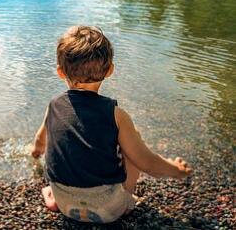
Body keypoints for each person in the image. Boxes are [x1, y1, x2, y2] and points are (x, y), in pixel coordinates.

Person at [30, 26, 192, 223]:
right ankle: (127, 199)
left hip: (64, 204)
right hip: (109, 210)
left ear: (60, 72)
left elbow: (40, 141)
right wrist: (177, 170)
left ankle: (52, 197)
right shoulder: (116, 115)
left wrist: (35, 154)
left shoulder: (53, 106)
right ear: (109, 70)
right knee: (133, 140)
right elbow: (147, 164)